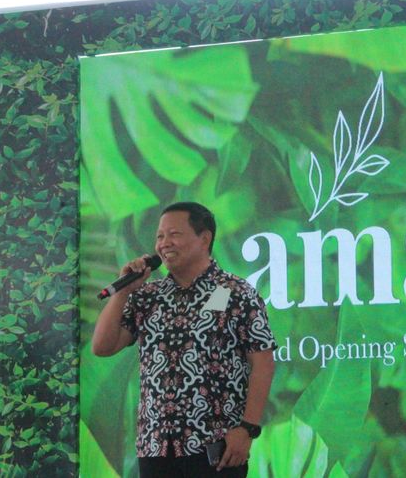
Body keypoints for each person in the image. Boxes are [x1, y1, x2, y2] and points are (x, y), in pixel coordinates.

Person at [92, 202, 277, 478]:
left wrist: (248, 428)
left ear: (204, 239)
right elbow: (103, 347)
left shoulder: (234, 292)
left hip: (216, 447)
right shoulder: (148, 296)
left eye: (174, 234)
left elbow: (263, 363)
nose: (164, 243)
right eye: (160, 236)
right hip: (156, 449)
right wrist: (124, 292)